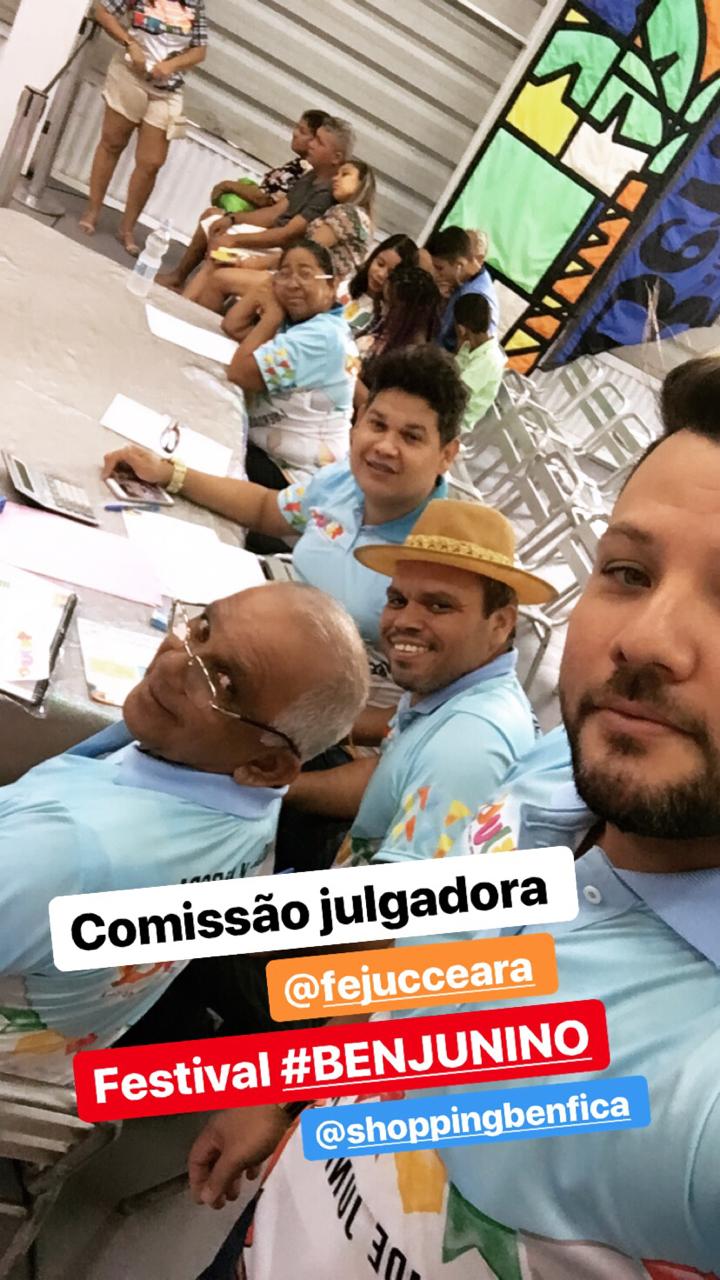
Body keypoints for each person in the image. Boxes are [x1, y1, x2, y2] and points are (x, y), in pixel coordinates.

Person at [187, 356, 720, 1278]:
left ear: (502, 624)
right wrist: (294, 1090)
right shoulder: (559, 771)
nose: (644, 640)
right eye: (629, 572)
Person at [0, 583, 368, 1083]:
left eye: (225, 684)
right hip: (66, 1047)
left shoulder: (61, 852)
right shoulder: (249, 800)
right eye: (202, 629)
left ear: (267, 765)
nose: (176, 663)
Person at [101, 345, 467, 741]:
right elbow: (266, 509)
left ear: (446, 454)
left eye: (411, 437)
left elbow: (422, 711)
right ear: (358, 420)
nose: (384, 446)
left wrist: (307, 729)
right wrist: (170, 474)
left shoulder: (439, 559)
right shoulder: (344, 482)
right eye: (378, 425)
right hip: (258, 654)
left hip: (306, 725)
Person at [285, 499, 553, 864]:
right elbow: (391, 778)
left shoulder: (467, 750)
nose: (404, 621)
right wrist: (282, 787)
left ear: (501, 624)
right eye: (397, 600)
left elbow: (400, 898)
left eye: (439, 605)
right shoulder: (451, 684)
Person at [205, 241, 358, 487]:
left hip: (294, 475)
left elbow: (240, 373)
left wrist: (272, 315)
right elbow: (234, 325)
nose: (293, 283)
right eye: (285, 274)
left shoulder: (323, 337)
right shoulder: (307, 320)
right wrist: (269, 289)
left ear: (332, 285)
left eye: (305, 274)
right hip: (272, 451)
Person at [79, 0, 208, 256]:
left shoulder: (194, 4)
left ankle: (127, 228)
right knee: (112, 142)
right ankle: (92, 211)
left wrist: (172, 65)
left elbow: (199, 50)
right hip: (130, 75)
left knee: (152, 162)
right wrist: (130, 43)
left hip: (167, 87)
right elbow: (102, 12)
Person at [182, 118, 355, 303]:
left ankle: (187, 303)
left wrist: (234, 239)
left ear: (336, 157)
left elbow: (287, 235)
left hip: (281, 252)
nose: (311, 144)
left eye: (319, 142)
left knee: (221, 250)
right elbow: (274, 213)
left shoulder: (326, 194)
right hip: (272, 239)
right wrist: (232, 219)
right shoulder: (311, 175)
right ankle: (183, 288)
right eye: (314, 138)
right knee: (215, 222)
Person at [193, 159, 376, 313]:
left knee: (221, 278)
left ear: (362, 184)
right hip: (309, 283)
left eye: (345, 174)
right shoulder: (358, 217)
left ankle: (193, 321)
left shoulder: (346, 214)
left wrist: (256, 262)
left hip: (306, 288)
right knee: (223, 265)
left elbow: (305, 253)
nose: (336, 178)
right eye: (337, 174)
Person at [354, 265, 442, 411]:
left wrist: (347, 376)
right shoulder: (390, 330)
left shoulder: (413, 363)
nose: (383, 309)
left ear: (406, 311)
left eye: (389, 304)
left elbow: (378, 409)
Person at [209, 110, 328, 213]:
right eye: (297, 127)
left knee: (220, 208)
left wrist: (227, 185)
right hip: (262, 204)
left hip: (264, 214)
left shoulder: (306, 172)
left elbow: (268, 200)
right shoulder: (299, 163)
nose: (295, 133)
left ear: (315, 141)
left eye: (302, 131)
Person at [426, 225, 499, 352]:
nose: (436, 274)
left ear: (459, 265)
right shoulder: (466, 282)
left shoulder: (475, 298)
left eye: (440, 268)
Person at [341, 234, 419, 341]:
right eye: (380, 264)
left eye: (391, 274)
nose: (381, 274)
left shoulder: (388, 318)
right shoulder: (344, 287)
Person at [454, 292, 507, 431]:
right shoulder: (468, 347)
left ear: (461, 329)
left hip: (455, 422)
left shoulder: (489, 359)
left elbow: (456, 393)